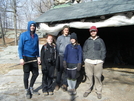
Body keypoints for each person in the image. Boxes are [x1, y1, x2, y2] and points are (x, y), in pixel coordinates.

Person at [18, 21, 41, 99]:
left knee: (36, 73)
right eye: (31, 26)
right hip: (26, 57)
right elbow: (20, 47)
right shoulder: (23, 35)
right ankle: (26, 90)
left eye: (34, 26)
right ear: (28, 26)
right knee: (26, 75)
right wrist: (21, 58)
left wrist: (38, 57)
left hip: (34, 57)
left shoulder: (36, 36)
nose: (32, 27)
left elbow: (37, 47)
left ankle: (31, 87)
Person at [83, 26, 106, 99]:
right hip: (88, 62)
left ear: (96, 32)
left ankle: (98, 91)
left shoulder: (100, 40)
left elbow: (103, 50)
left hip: (98, 62)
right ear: (90, 32)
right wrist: (85, 59)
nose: (93, 32)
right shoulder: (87, 41)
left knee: (98, 76)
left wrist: (102, 60)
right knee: (89, 76)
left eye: (94, 31)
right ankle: (88, 89)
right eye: (91, 31)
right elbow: (84, 50)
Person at [55, 25, 71, 91]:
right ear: (63, 30)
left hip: (68, 57)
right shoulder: (59, 38)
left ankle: (65, 84)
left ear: (68, 31)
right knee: (59, 70)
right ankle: (58, 84)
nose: (66, 31)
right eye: (65, 30)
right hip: (61, 56)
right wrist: (58, 54)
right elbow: (57, 47)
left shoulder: (70, 38)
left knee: (66, 71)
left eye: (67, 30)